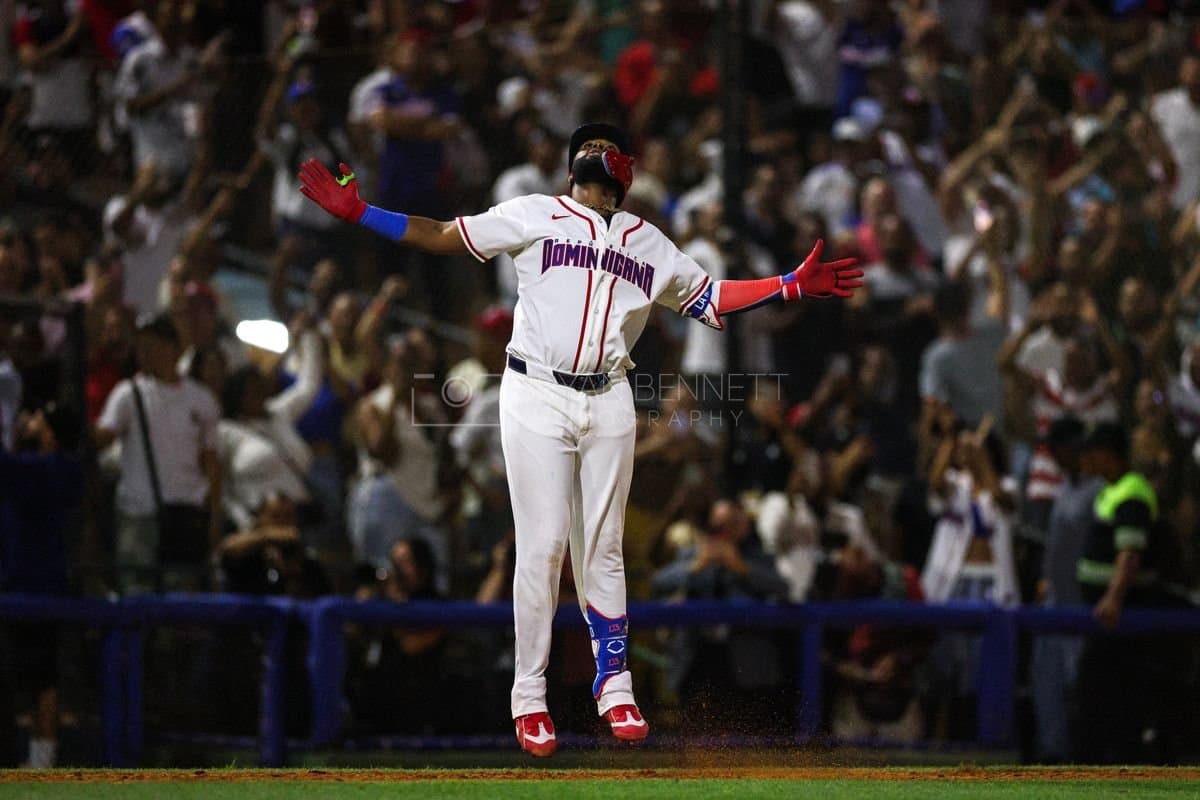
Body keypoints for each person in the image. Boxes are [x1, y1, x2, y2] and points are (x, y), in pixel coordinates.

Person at [297, 120, 861, 756]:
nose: (593, 158)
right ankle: (529, 695)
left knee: (606, 547)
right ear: (572, 169)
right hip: (535, 389)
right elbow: (443, 235)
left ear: (625, 171)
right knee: (542, 547)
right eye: (585, 150)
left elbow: (710, 296)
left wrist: (785, 284)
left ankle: (615, 684)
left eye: (605, 149)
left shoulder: (649, 242)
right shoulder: (536, 212)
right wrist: (362, 211)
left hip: (610, 394)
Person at [94, 315, 221, 593]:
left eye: (152, 346)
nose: (145, 354)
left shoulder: (201, 399)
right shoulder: (128, 393)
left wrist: (214, 514)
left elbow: (211, 462)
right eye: (141, 348)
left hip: (186, 512)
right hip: (138, 512)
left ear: (173, 348)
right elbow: (103, 437)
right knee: (137, 592)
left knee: (181, 598)